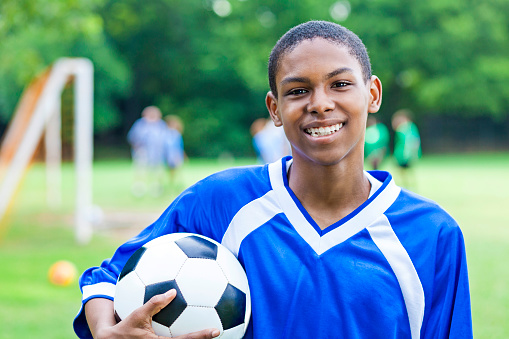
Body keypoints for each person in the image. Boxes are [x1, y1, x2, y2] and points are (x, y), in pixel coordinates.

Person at [74, 21, 472, 339]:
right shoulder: (218, 202)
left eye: (340, 84)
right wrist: (108, 330)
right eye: (298, 90)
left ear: (373, 94)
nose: (320, 103)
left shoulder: (432, 235)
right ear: (275, 108)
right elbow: (108, 279)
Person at [127, 106, 168, 197]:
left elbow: (165, 139)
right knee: (141, 171)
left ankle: (156, 189)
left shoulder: (161, 125)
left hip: (157, 153)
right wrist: (138, 149)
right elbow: (133, 137)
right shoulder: (140, 124)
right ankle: (139, 189)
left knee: (157, 172)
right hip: (143, 152)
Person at [392, 109, 422, 189]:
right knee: (401, 171)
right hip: (400, 154)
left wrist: (412, 153)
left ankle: (409, 186)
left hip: (405, 154)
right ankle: (406, 186)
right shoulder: (402, 128)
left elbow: (414, 141)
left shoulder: (407, 128)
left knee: (406, 171)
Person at [163, 115, 185, 193]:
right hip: (168, 156)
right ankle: (168, 185)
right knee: (169, 171)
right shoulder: (166, 134)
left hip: (176, 155)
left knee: (177, 171)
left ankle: (177, 185)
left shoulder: (176, 134)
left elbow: (179, 146)